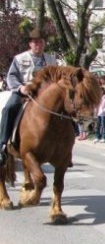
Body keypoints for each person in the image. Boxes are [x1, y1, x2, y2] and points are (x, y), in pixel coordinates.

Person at [0, 29, 57, 165]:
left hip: (44, 94)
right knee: (9, 108)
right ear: (30, 44)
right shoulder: (20, 58)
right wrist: (20, 87)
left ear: (44, 43)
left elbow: (56, 78)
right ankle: (2, 144)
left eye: (41, 42)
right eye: (35, 42)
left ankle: (64, 148)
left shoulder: (51, 60)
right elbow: (11, 76)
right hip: (23, 92)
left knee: (63, 110)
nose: (38, 45)